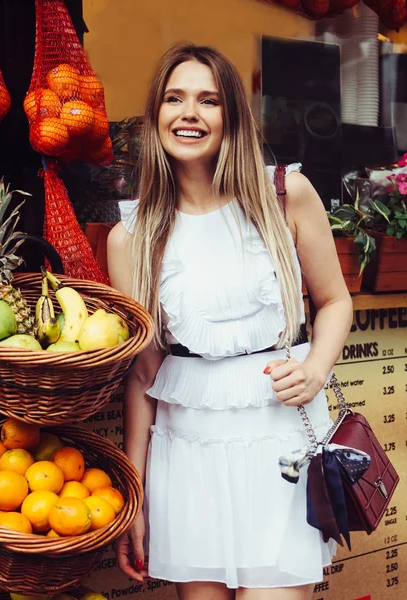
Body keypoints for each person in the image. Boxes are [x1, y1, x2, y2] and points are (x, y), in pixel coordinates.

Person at [107, 43, 353, 600]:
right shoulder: (132, 237)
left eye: (208, 100)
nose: (188, 113)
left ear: (232, 117)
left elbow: (336, 301)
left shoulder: (284, 195)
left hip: (281, 449)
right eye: (174, 98)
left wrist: (315, 368)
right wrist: (135, 494)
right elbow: (143, 373)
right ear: (156, 116)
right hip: (186, 455)